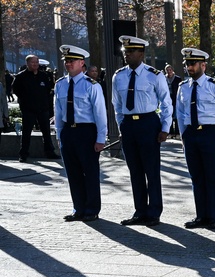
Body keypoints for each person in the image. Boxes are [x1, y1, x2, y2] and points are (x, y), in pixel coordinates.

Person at [111, 36, 172, 226]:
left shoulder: (154, 75)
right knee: (135, 171)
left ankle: (153, 212)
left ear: (141, 53)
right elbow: (117, 105)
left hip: (148, 123)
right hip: (129, 125)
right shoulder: (118, 76)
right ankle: (140, 211)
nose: (126, 55)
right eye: (124, 52)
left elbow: (166, 102)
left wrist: (164, 127)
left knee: (151, 171)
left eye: (130, 52)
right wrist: (122, 125)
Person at [175, 47, 215, 230]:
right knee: (196, 177)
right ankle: (201, 215)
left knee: (211, 176)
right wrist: (183, 136)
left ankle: (213, 216)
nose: (189, 67)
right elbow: (180, 112)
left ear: (203, 65)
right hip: (191, 134)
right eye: (187, 64)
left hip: (210, 134)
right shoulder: (183, 87)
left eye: (192, 64)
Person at [53, 46, 107, 221]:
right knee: (73, 172)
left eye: (71, 61)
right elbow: (59, 112)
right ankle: (78, 208)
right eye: (66, 61)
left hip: (86, 132)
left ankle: (91, 210)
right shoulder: (60, 84)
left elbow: (100, 114)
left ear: (81, 63)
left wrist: (100, 138)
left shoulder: (92, 85)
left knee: (90, 172)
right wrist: (59, 135)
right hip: (69, 131)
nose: (68, 64)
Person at [11, 54, 58, 162]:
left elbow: (48, 90)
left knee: (46, 132)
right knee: (26, 132)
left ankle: (50, 152)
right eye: (33, 62)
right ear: (27, 63)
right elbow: (16, 91)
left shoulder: (44, 76)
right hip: (28, 110)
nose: (35, 64)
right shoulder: (20, 77)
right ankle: (23, 154)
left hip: (43, 109)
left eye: (36, 62)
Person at [164, 64, 182, 137]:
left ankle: (177, 132)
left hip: (175, 99)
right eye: (167, 70)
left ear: (173, 70)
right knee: (169, 115)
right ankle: (170, 132)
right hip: (167, 99)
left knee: (176, 116)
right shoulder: (164, 78)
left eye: (170, 70)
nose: (169, 71)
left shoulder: (177, 79)